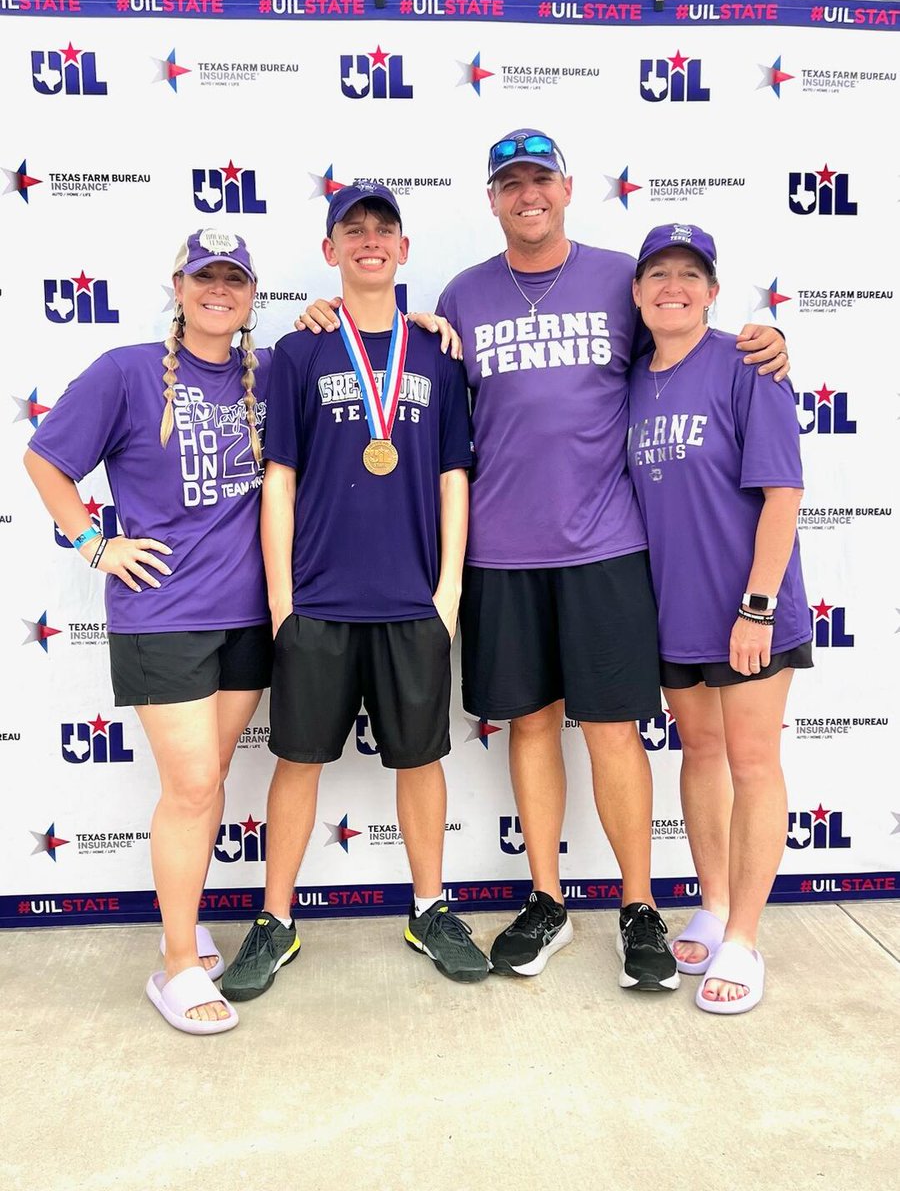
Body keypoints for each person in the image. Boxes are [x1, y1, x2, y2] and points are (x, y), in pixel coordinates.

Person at [297, 130, 789, 993]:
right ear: (492, 200)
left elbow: (688, 348)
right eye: (510, 184)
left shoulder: (620, 283)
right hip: (500, 552)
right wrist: (318, 317)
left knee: (609, 729)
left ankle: (638, 906)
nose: (527, 195)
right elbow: (401, 360)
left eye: (541, 180)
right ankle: (549, 900)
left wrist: (769, 343)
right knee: (531, 725)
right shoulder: (461, 295)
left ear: (567, 188)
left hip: (606, 545)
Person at [220, 181, 489, 1001]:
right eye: (353, 229)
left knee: (422, 760)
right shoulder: (299, 351)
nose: (370, 240)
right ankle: (276, 920)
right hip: (319, 604)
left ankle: (430, 907)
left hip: (412, 604)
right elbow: (280, 481)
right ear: (331, 250)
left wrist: (446, 596)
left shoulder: (437, 352)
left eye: (385, 229)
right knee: (297, 761)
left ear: (404, 252)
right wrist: (281, 602)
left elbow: (453, 480)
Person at [23, 230, 272, 1034]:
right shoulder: (127, 371)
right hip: (162, 615)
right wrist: (93, 542)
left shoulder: (262, 375)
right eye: (206, 277)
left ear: (250, 295)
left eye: (234, 279)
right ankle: (173, 966)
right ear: (179, 285)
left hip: (246, 614)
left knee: (209, 779)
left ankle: (185, 922)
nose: (219, 290)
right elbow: (45, 460)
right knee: (194, 785)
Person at [628, 223, 811, 1013]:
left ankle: (745, 937)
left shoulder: (747, 365)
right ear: (636, 294)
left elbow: (783, 494)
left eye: (689, 274)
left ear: (711, 290)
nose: (673, 286)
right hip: (673, 614)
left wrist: (757, 608)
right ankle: (710, 901)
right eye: (658, 274)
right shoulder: (632, 380)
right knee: (698, 754)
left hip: (751, 614)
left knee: (751, 763)